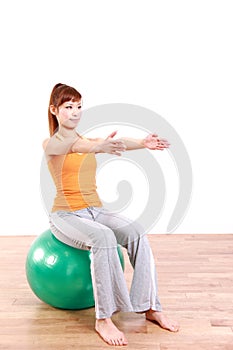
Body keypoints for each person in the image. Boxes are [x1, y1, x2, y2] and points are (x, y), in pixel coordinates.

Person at [43, 83, 179, 346]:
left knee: (137, 231)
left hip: (96, 210)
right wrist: (96, 148)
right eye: (68, 107)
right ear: (54, 110)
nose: (75, 112)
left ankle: (149, 306)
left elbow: (114, 143)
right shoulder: (50, 144)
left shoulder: (87, 139)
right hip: (66, 215)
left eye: (79, 106)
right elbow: (75, 147)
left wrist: (142, 142)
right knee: (104, 238)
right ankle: (103, 318)